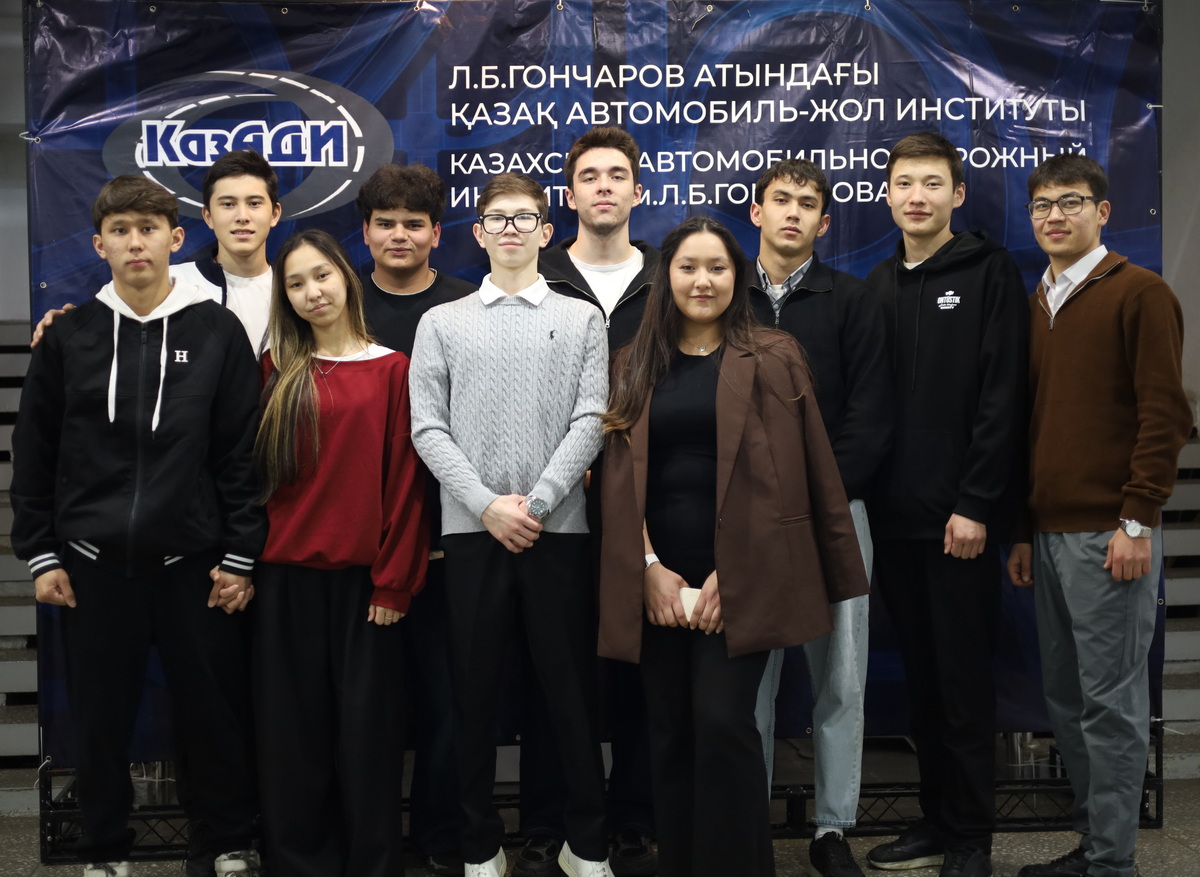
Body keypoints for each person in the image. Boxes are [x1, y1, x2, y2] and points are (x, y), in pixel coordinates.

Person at [598, 216, 870, 877]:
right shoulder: (632, 362)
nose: (703, 280)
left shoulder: (774, 356)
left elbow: (795, 477)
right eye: (688, 267)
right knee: (670, 729)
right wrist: (648, 568)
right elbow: (616, 478)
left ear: (736, 277)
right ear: (665, 277)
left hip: (742, 577)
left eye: (717, 267)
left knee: (723, 720)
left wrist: (738, 574)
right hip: (657, 579)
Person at [12, 176, 265, 877]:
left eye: (148, 228)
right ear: (99, 245)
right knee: (100, 720)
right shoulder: (69, 336)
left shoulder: (217, 331)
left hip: (194, 563)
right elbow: (35, 451)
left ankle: (226, 841)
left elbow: (239, 453)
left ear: (175, 238)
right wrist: (40, 553)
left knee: (212, 712)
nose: (135, 242)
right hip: (92, 564)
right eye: (119, 230)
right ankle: (103, 850)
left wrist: (240, 554)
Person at [409, 172, 611, 877]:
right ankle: (479, 844)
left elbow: (593, 417)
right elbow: (427, 428)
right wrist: (487, 505)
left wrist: (541, 500)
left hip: (560, 533)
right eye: (497, 218)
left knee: (570, 694)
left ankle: (586, 843)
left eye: (525, 218)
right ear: (478, 233)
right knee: (473, 695)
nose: (512, 229)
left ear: (547, 231)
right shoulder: (442, 323)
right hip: (473, 535)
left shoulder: (583, 319)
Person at [1006, 154, 1191, 877]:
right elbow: (1033, 425)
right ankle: (1093, 845)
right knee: (1068, 698)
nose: (1055, 215)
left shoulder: (1141, 293)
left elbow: (1165, 415)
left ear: (1102, 211)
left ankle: (1113, 862)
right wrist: (1023, 530)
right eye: (1042, 204)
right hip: (1048, 534)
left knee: (1110, 703)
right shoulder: (1038, 302)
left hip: (1111, 534)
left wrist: (1137, 519)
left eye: (1071, 201)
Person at [864, 132, 1027, 877]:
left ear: (957, 194)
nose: (917, 196)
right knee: (924, 684)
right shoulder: (877, 284)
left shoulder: (990, 272)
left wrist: (977, 503)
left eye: (932, 183)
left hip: (961, 522)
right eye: (905, 183)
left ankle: (971, 838)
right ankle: (935, 820)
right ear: (887, 195)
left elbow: (1002, 398)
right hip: (894, 523)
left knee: (963, 685)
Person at [251, 228, 429, 877]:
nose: (312, 292)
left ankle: (372, 864)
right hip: (283, 583)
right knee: (292, 742)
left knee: (368, 741)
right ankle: (299, 864)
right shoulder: (274, 370)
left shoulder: (393, 369)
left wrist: (394, 581)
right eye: (296, 283)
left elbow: (406, 483)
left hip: (364, 587)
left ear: (346, 278)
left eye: (321, 275)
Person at [748, 158, 892, 877]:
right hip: (745, 520)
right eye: (781, 200)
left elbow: (872, 415)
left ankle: (832, 828)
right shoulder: (723, 295)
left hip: (838, 513)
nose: (793, 213)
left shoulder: (854, 300)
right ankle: (745, 824)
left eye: (807, 204)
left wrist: (819, 498)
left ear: (824, 222)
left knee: (841, 676)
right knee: (749, 681)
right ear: (757, 211)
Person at [527, 125, 659, 877]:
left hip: (646, 507)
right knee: (555, 668)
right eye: (589, 176)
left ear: (638, 190)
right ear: (570, 194)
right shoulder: (534, 274)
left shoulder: (671, 277)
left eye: (616, 175)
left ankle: (635, 820)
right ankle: (548, 825)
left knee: (642, 668)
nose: (603, 186)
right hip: (555, 506)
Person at [356, 162, 476, 875]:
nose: (399, 235)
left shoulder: (469, 304)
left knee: (448, 705)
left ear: (437, 232)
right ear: (366, 231)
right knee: (365, 707)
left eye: (413, 223)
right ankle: (369, 841)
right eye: (386, 223)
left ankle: (439, 838)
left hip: (453, 540)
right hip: (361, 549)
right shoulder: (337, 303)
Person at [31, 150, 282, 356]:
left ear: (274, 214)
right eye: (228, 204)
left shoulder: (293, 289)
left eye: (254, 203)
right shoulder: (168, 282)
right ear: (208, 216)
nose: (242, 216)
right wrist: (67, 326)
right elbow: (108, 326)